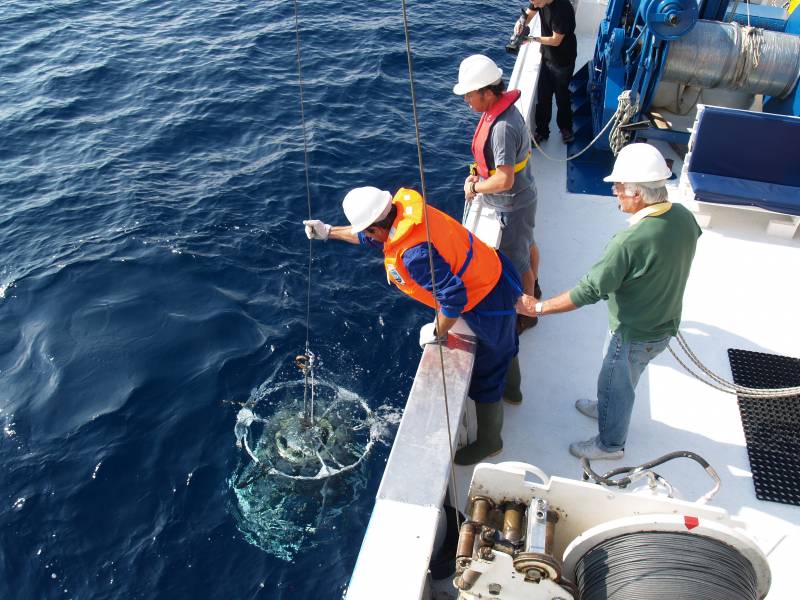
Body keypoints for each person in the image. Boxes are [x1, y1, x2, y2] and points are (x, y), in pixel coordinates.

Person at [303, 186, 523, 465]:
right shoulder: (402, 213)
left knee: (489, 369)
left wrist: (437, 332)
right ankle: (513, 393)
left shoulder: (413, 255)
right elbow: (368, 236)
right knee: (507, 344)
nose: (367, 237)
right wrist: (329, 231)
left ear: (375, 228)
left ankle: (491, 441)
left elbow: (454, 299)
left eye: (368, 231)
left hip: (487, 298)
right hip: (493, 268)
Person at [516, 144, 701, 459]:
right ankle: (606, 407)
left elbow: (589, 290)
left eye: (619, 187)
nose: (615, 191)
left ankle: (610, 444)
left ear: (638, 194)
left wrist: (537, 307)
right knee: (621, 378)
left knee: (617, 382)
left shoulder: (628, 242)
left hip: (632, 333)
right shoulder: (683, 217)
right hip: (663, 324)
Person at [454, 54, 541, 336]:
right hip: (523, 198)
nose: (467, 100)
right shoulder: (505, 114)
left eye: (470, 95)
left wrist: (475, 187)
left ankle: (528, 313)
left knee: (518, 262)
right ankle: (534, 287)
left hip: (513, 205)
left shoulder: (501, 128)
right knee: (528, 245)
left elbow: (504, 179)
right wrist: (478, 175)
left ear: (488, 94)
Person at [516, 0, 577, 144]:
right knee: (543, 97)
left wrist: (531, 39)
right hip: (547, 57)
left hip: (563, 61)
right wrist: (521, 23)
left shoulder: (562, 10)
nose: (533, 3)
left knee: (562, 97)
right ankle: (542, 131)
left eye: (536, 1)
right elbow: (529, 13)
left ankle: (565, 128)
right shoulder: (539, 1)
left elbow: (556, 40)